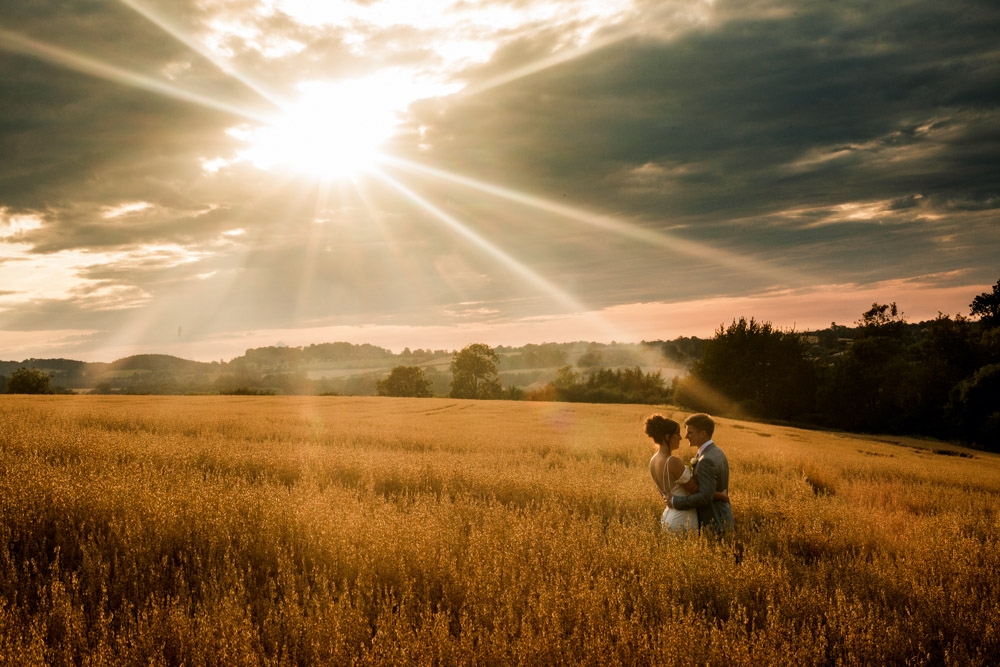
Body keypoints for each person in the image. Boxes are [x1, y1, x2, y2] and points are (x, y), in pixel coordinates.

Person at [645, 414, 728, 533]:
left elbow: (665, 495)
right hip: (683, 519)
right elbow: (695, 490)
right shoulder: (673, 462)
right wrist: (720, 495)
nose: (681, 437)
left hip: (669, 515)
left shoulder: (653, 460)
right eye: (677, 434)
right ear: (668, 437)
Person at [666, 413, 734, 534]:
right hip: (724, 515)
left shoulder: (706, 460)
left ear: (703, 434)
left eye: (690, 432)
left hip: (714, 521)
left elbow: (705, 497)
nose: (686, 436)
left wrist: (674, 501)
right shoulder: (717, 451)